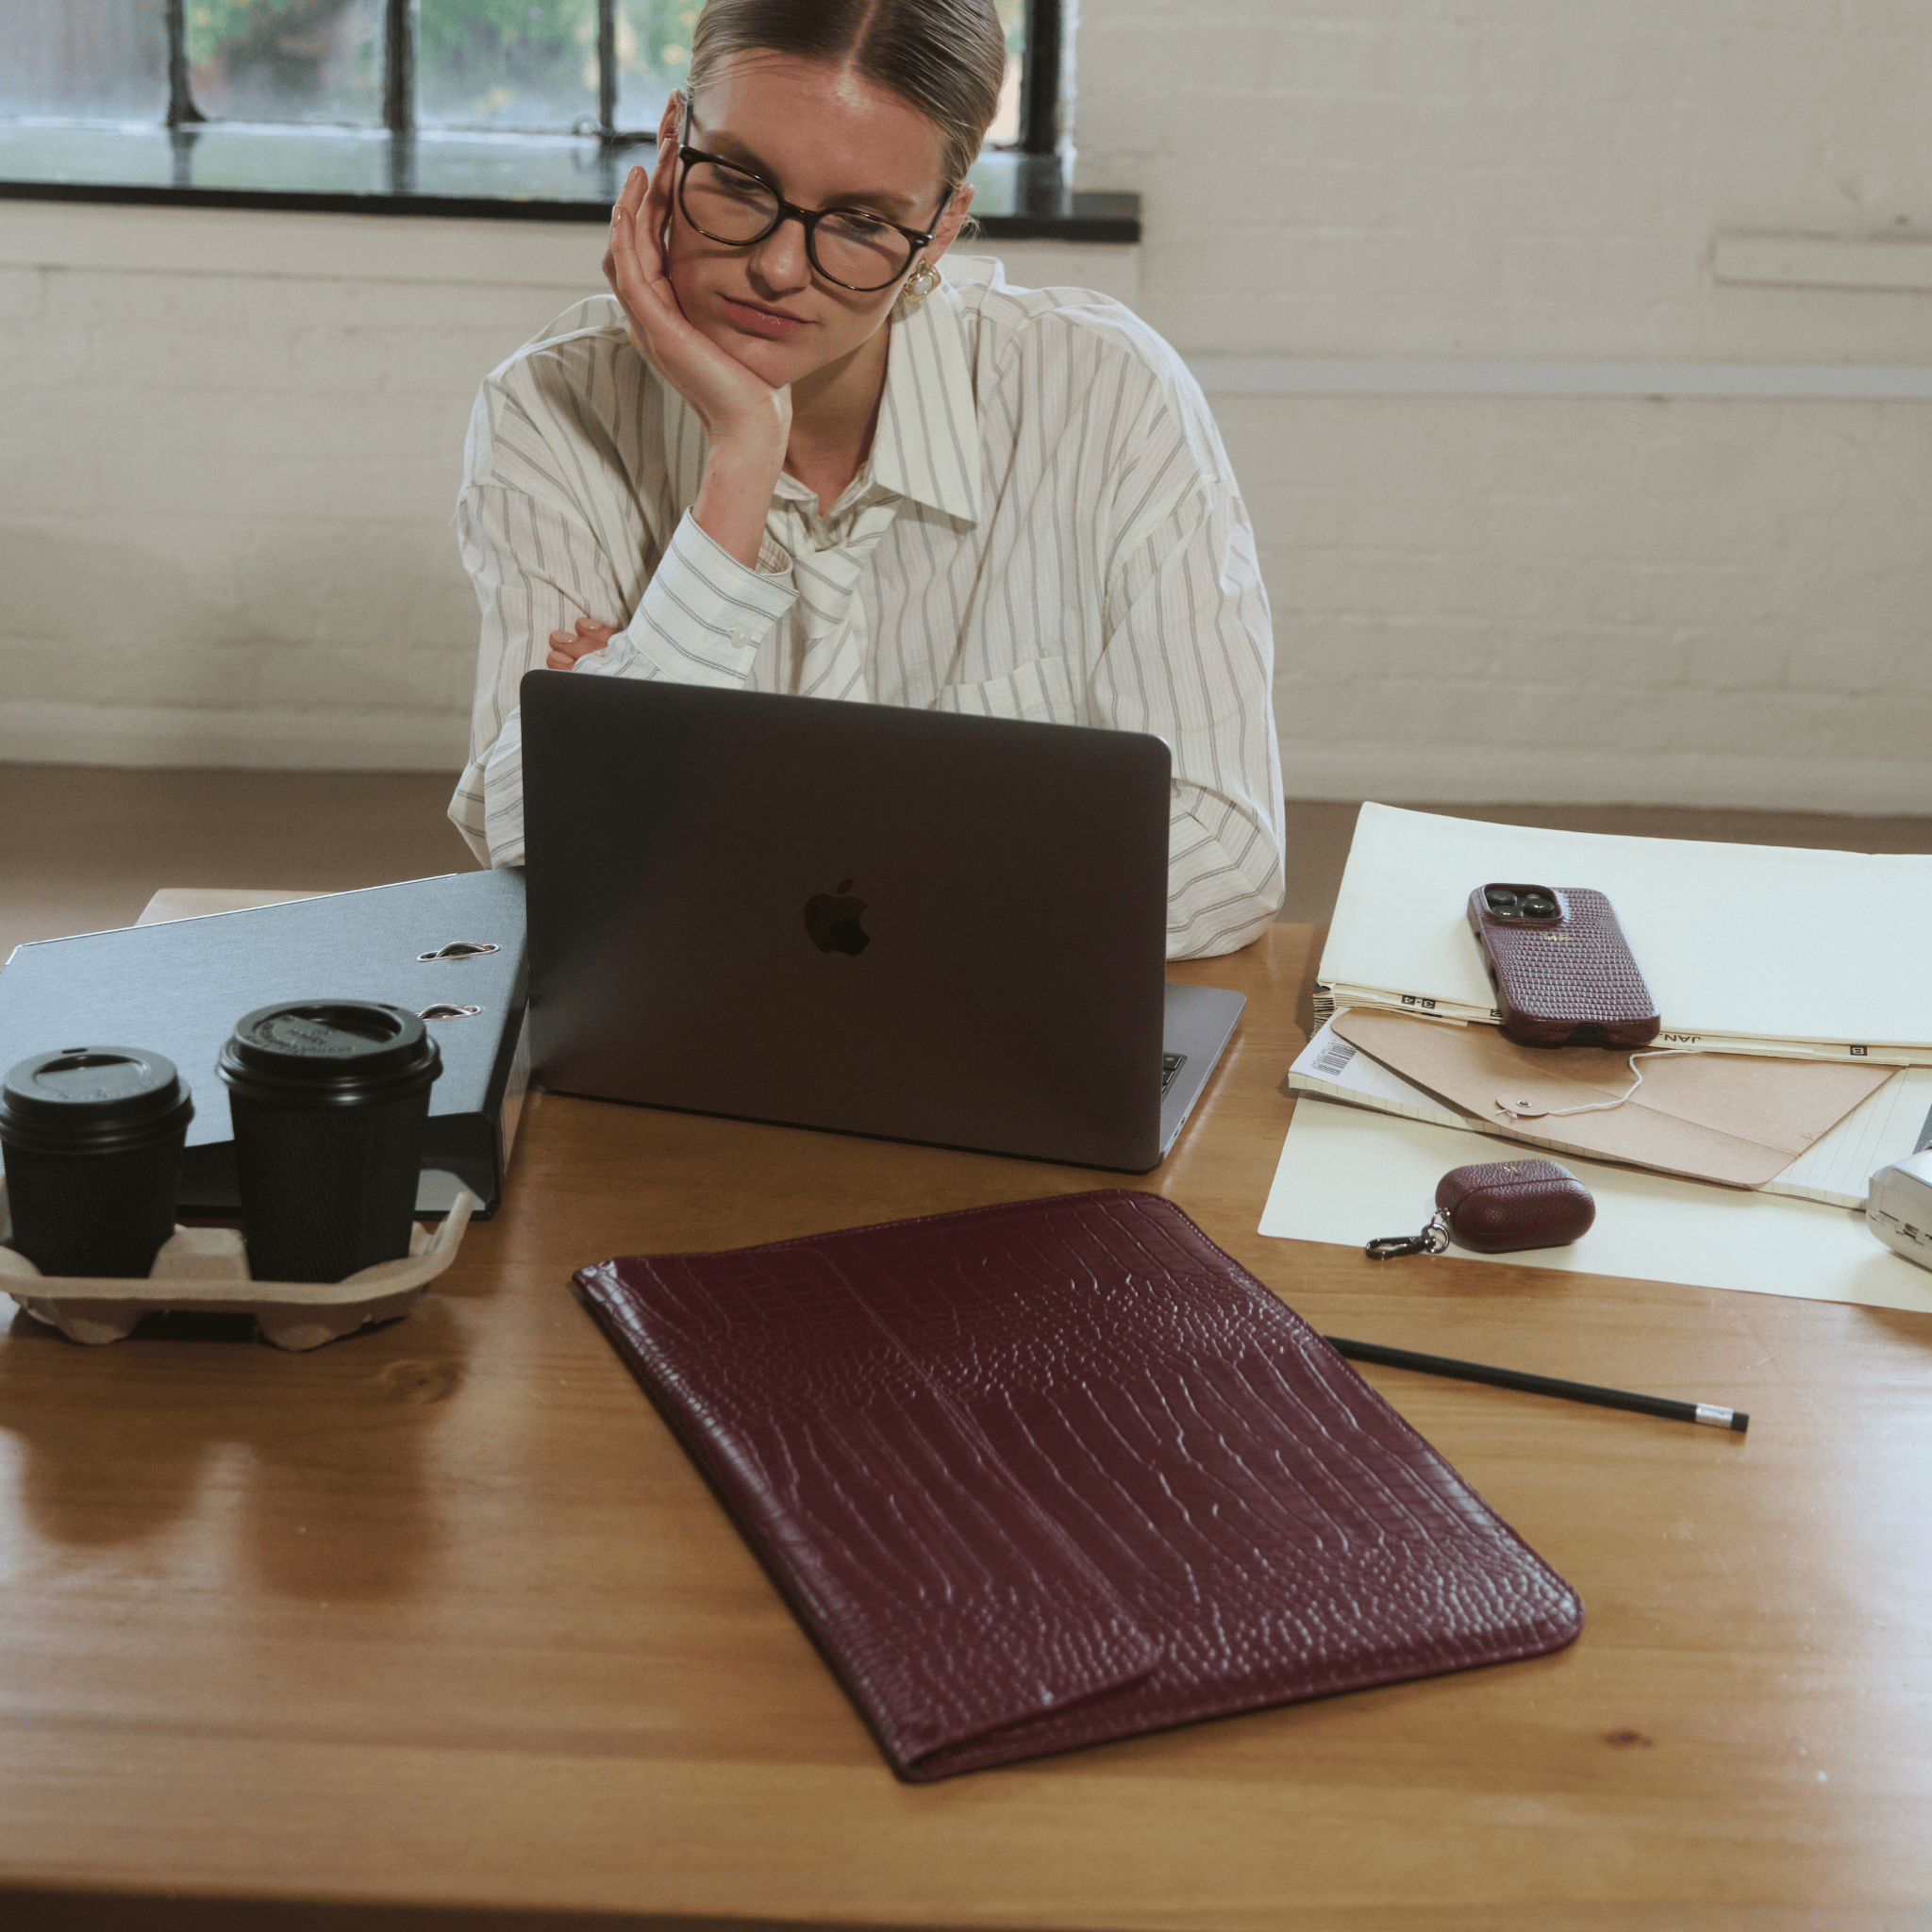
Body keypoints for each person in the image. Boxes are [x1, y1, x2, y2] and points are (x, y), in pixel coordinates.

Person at [448, 0, 1285, 959]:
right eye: (737, 179)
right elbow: (526, 845)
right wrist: (740, 458)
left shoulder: (1104, 393)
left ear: (937, 231)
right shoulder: (548, 405)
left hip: (990, 1043)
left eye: (858, 223)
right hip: (687, 1020)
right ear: (674, 140)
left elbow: (1224, 854)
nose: (772, 265)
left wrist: (700, 798)